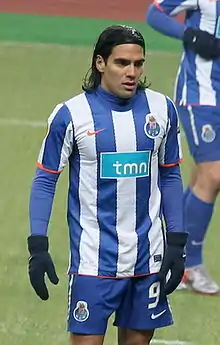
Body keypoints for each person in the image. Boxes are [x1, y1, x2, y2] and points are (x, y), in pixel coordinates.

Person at [27, 25, 188, 345]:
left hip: (148, 259)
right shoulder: (71, 114)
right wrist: (38, 246)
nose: (132, 72)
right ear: (100, 63)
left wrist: (178, 242)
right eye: (122, 63)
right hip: (93, 262)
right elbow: (46, 179)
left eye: (138, 63)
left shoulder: (162, 109)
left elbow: (170, 174)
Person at [146, 0, 220, 295]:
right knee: (214, 176)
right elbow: (155, 12)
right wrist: (190, 36)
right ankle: (191, 265)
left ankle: (170, 255)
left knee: (203, 178)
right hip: (200, 95)